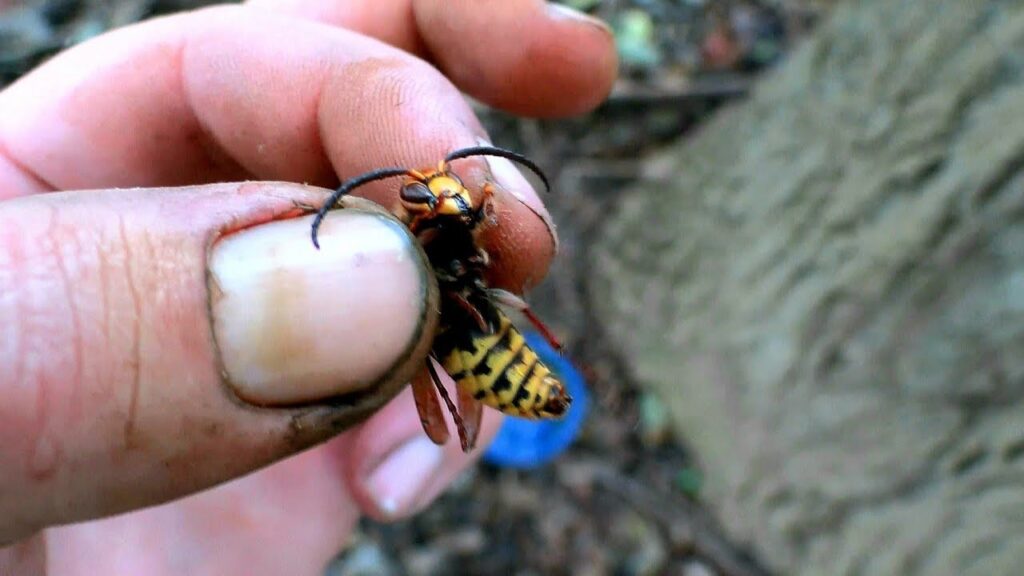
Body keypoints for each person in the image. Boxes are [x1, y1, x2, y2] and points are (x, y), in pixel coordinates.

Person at [0, 0, 617, 573]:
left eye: (445, 192)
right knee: (487, 301)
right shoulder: (408, 256)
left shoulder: (449, 238)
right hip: (470, 339)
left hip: (478, 337)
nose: (444, 194)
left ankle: (538, 360)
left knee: (498, 296)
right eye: (431, 196)